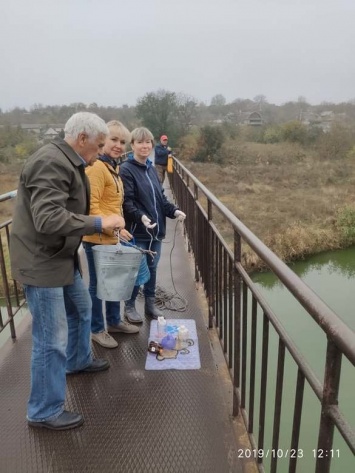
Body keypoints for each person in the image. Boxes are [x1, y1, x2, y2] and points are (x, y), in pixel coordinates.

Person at [10, 112, 125, 431]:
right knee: (50, 337)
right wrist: (100, 222)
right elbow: (47, 219)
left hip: (60, 256)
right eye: (100, 145)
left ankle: (77, 360)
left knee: (82, 308)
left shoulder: (69, 160)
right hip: (41, 262)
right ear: (82, 139)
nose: (101, 152)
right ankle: (43, 410)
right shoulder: (51, 162)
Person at [119, 127, 186, 322]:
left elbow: (160, 199)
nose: (145, 146)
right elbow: (127, 202)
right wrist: (140, 217)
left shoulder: (150, 168)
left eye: (148, 142)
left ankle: (150, 303)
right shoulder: (126, 169)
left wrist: (173, 211)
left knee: (152, 267)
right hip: (137, 231)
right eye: (140, 142)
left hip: (156, 231)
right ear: (132, 145)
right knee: (135, 270)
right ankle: (129, 307)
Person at [82, 121, 139, 349]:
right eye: (114, 140)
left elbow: (113, 205)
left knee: (114, 281)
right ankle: (97, 329)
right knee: (97, 285)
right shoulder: (96, 168)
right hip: (96, 239)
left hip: (112, 237)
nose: (118, 145)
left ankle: (114, 321)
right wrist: (113, 227)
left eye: (123, 141)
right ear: (103, 141)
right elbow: (91, 208)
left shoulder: (112, 167)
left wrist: (118, 229)